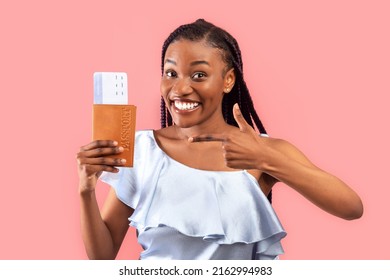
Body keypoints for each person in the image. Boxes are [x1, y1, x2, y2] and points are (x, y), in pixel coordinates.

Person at [76, 19, 363, 260]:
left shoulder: (262, 150)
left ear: (228, 80)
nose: (180, 88)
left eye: (199, 74)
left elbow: (351, 207)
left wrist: (266, 158)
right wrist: (86, 191)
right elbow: (102, 256)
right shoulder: (142, 151)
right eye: (170, 73)